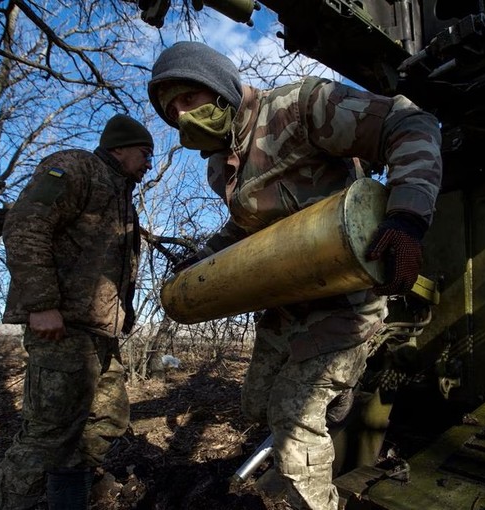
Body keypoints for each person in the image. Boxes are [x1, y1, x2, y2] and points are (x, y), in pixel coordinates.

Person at [147, 41, 442, 510]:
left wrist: (406, 217)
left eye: (187, 99)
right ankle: (341, 398)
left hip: (347, 298)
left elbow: (408, 123)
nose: (181, 116)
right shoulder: (218, 168)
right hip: (289, 304)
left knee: (293, 418)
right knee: (256, 403)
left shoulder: (298, 107)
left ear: (217, 86)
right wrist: (201, 261)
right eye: (171, 111)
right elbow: (244, 230)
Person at [0, 114, 154, 510]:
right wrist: (42, 305)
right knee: (48, 436)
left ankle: (67, 501)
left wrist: (122, 314)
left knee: (105, 421)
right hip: (61, 330)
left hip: (98, 336)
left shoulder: (122, 196)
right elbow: (25, 225)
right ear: (119, 148)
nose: (148, 164)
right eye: (145, 153)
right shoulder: (76, 167)